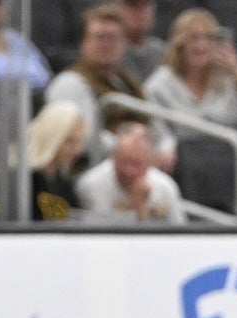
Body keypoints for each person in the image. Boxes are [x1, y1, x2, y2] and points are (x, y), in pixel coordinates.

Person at [44, 3, 177, 172]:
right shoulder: (71, 83)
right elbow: (86, 140)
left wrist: (166, 148)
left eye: (114, 38)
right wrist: (136, 152)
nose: (107, 45)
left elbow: (155, 122)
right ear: (83, 42)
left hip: (138, 164)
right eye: (100, 37)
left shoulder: (128, 82)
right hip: (95, 169)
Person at [143, 8, 237, 137]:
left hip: (224, 153)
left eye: (209, 38)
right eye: (193, 38)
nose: (201, 46)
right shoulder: (160, 85)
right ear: (179, 44)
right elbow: (158, 135)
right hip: (180, 154)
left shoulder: (227, 80)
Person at [75, 121, 185, 223]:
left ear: (150, 163)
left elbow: (179, 233)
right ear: (113, 157)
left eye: (136, 164)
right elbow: (98, 234)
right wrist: (136, 209)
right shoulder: (92, 185)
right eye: (124, 161)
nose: (128, 171)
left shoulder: (165, 187)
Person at [26, 99, 88, 221]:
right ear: (52, 138)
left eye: (80, 142)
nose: (77, 151)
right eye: (70, 142)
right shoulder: (24, 182)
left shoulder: (63, 185)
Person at [118, 0, 166, 82]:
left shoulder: (162, 51)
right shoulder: (110, 50)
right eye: (133, 6)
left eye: (145, 5)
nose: (140, 12)